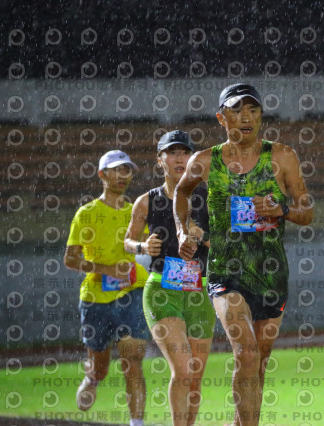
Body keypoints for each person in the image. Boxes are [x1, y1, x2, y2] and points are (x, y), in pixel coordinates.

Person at [173, 83, 313, 426]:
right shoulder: (205, 161)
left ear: (261, 116)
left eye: (253, 110)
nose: (246, 117)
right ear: (221, 118)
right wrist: (181, 229)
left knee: (258, 364)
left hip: (271, 274)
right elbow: (181, 193)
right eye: (237, 111)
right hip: (226, 272)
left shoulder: (282, 156)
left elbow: (307, 212)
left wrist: (281, 210)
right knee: (246, 352)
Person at [124, 130, 215, 426]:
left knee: (196, 376)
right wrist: (142, 247)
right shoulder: (146, 201)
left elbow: (228, 242)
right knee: (183, 370)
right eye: (172, 153)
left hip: (199, 291)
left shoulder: (208, 197)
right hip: (162, 290)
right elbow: (128, 241)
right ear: (160, 160)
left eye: (185, 153)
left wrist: (203, 237)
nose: (179, 158)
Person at [63, 150, 149, 426]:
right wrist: (106, 269)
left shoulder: (137, 212)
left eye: (127, 170)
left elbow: (148, 249)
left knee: (132, 360)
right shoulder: (87, 214)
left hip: (132, 293)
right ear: (102, 174)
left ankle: (137, 423)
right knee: (101, 366)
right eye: (117, 169)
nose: (123, 175)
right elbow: (70, 259)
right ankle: (93, 377)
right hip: (96, 299)